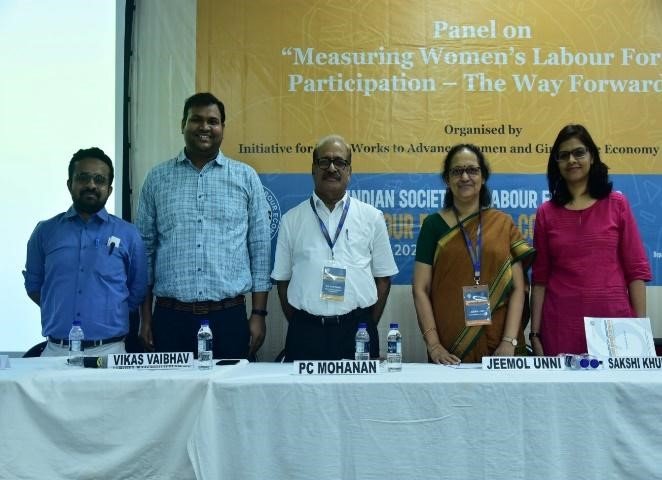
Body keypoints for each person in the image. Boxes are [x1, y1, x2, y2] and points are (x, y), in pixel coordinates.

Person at [136, 92, 271, 360]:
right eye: (196, 120)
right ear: (182, 125)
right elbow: (145, 252)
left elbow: (260, 250)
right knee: (172, 389)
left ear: (223, 127)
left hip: (229, 319)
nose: (205, 127)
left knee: (230, 388)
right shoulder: (157, 179)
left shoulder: (245, 177)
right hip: (170, 319)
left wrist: (258, 314)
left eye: (213, 121)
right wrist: (145, 318)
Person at [271, 134, 398, 361]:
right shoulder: (291, 220)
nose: (332, 168)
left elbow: (384, 280)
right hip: (305, 333)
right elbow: (282, 282)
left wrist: (365, 322)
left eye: (340, 162)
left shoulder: (372, 217)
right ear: (313, 169)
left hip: (357, 331)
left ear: (349, 171)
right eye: (324, 161)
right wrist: (304, 322)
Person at [530, 124, 652, 356]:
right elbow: (540, 280)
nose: (571, 160)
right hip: (561, 327)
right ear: (556, 163)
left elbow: (636, 271)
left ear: (592, 156)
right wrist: (534, 334)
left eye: (579, 152)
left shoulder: (617, 204)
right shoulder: (546, 213)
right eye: (563, 155)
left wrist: (639, 332)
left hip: (615, 328)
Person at [413, 144, 535, 364]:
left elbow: (518, 288)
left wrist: (508, 341)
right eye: (457, 171)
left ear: (483, 177)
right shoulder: (433, 225)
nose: (465, 177)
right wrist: (434, 346)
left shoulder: (503, 224)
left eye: (472, 170)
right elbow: (420, 289)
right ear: (447, 179)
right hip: (450, 348)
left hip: (501, 345)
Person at [23, 147, 147, 356]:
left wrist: (109, 312)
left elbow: (138, 290)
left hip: (110, 351)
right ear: (69, 184)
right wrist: (59, 307)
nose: (91, 185)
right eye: (83, 178)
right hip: (56, 351)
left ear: (109, 189)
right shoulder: (45, 231)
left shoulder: (128, 234)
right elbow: (34, 285)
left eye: (99, 180)